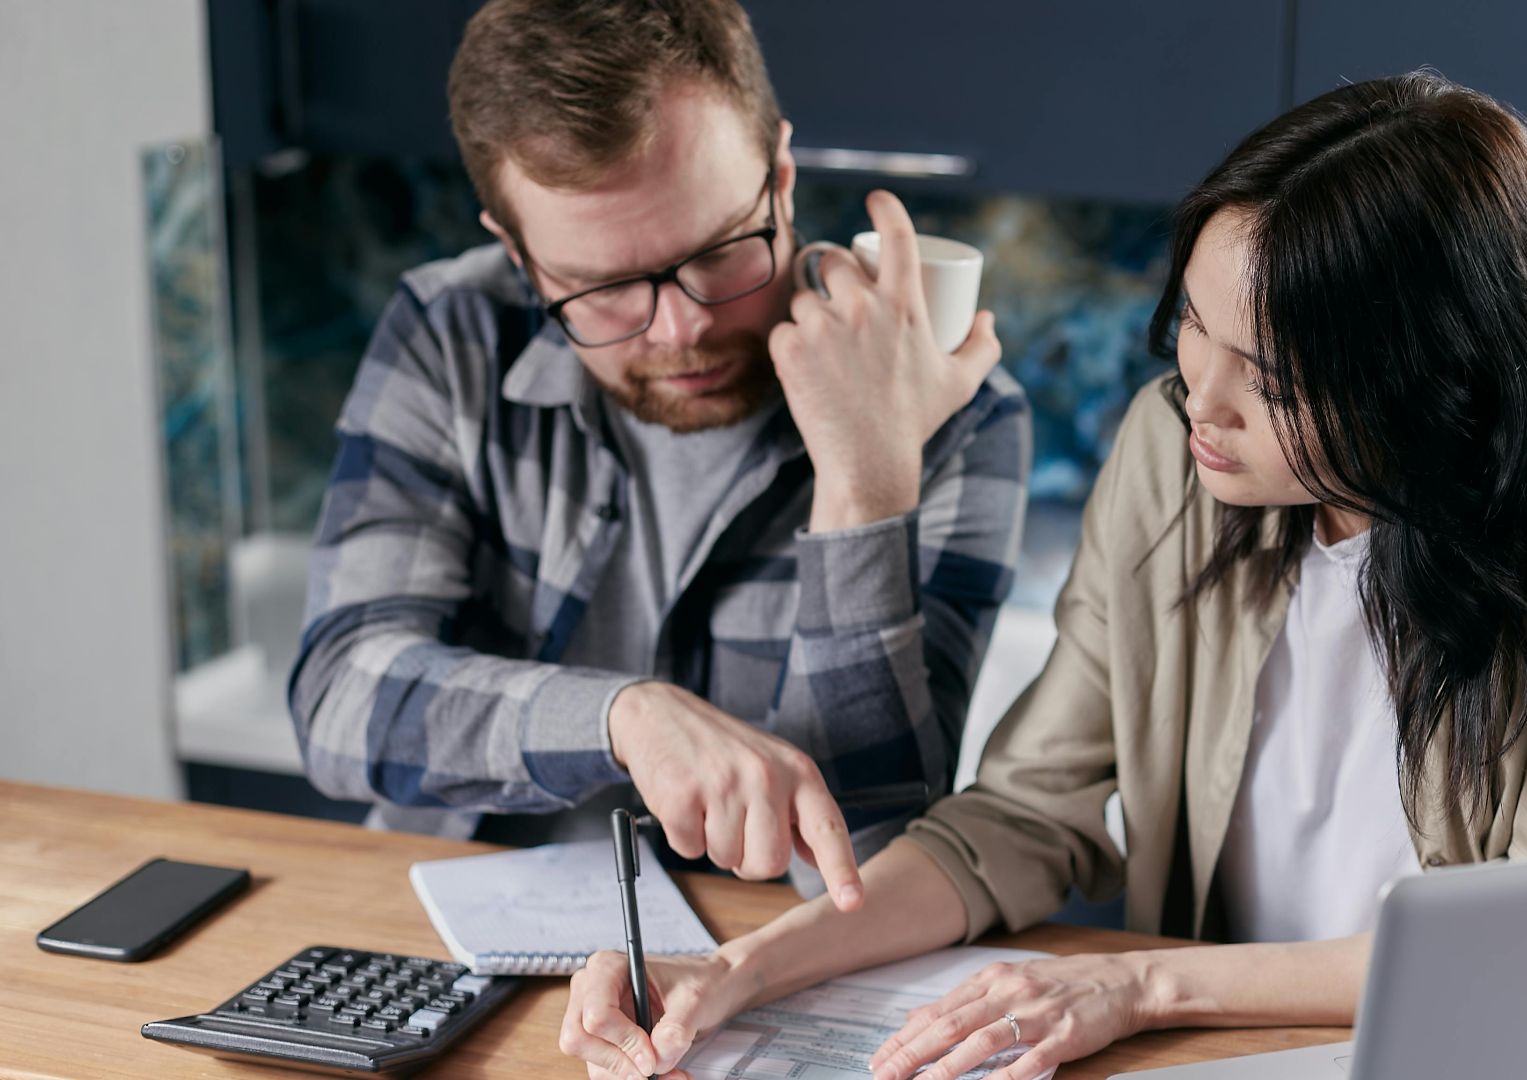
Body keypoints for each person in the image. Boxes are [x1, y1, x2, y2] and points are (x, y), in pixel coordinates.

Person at [557, 71, 1527, 1080]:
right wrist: (738, 970)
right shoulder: (1176, 455)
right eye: (1195, 327)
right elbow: (1018, 818)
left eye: (1273, 380)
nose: (1199, 399)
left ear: (1424, 380)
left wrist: (1146, 988)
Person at [287, 0, 1031, 909]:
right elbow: (338, 700)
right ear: (518, 257)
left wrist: (863, 487)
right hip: (455, 930)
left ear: (782, 178)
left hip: (768, 968)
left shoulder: (955, 408)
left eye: (720, 252)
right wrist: (622, 719)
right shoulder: (452, 334)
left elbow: (873, 863)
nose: (684, 329)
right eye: (600, 288)